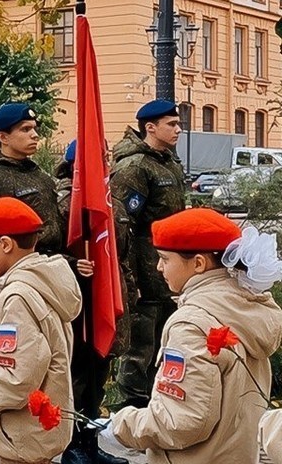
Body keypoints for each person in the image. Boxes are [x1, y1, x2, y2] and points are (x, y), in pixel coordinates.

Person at [106, 208, 282, 463]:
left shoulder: (191, 324)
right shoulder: (245, 307)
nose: (157, 267)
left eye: (165, 259)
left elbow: (182, 422)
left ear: (198, 264)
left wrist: (121, 426)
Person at [0, 197, 82, 464]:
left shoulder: (18, 298)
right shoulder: (41, 282)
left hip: (20, 437)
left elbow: (16, 381)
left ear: (5, 244)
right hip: (32, 435)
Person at [54, 140, 135, 464]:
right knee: (75, 376)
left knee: (98, 375)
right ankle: (70, 444)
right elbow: (46, 251)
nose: (107, 163)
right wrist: (72, 264)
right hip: (77, 302)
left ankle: (90, 442)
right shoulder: (63, 202)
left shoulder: (110, 199)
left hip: (104, 297)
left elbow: (121, 252)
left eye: (107, 157)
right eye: (99, 159)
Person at [111, 99, 186, 409]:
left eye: (178, 123)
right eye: (172, 124)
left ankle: (158, 404)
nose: (179, 129)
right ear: (150, 127)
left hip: (169, 269)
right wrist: (129, 277)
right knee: (141, 345)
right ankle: (129, 410)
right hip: (144, 269)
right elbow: (121, 226)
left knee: (165, 341)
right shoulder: (134, 167)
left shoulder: (168, 161)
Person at [0, 102, 64, 317]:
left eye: (35, 128)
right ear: (3, 137)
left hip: (47, 279)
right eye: (25, 129)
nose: (35, 135)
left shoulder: (41, 177)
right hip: (10, 286)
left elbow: (54, 232)